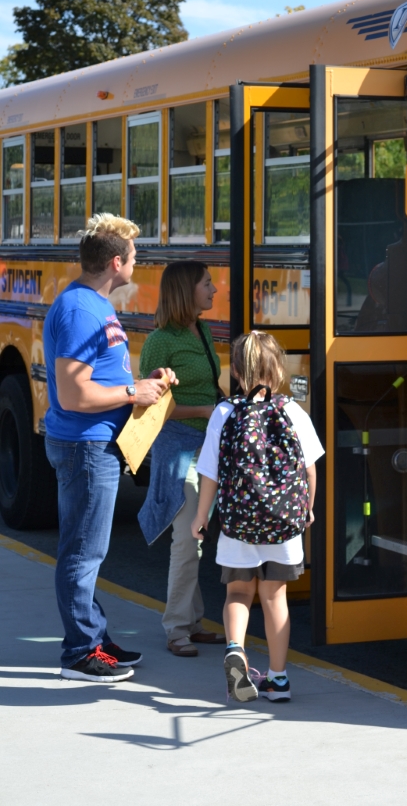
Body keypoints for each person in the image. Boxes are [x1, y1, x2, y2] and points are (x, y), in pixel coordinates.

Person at [44, 213, 177, 682]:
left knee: (89, 549)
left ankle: (94, 637)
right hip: (85, 447)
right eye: (135, 257)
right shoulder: (81, 310)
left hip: (96, 445)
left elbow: (102, 375)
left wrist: (148, 385)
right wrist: (131, 394)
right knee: (82, 551)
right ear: (116, 262)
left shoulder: (95, 304)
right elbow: (72, 394)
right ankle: (80, 652)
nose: (138, 264)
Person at [192, 331, 324, 702]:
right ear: (279, 368)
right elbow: (310, 469)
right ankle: (278, 679)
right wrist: (307, 509)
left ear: (235, 371)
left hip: (238, 525)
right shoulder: (293, 411)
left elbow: (209, 473)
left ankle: (236, 649)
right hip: (283, 526)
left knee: (237, 592)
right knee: (274, 598)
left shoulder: (225, 412)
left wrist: (201, 518)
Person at [138, 261, 226, 656]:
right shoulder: (160, 341)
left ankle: (193, 621)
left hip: (205, 448)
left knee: (199, 536)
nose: (214, 289)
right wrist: (204, 411)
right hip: (178, 447)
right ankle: (176, 628)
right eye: (207, 284)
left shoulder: (203, 330)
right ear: (185, 291)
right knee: (187, 538)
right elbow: (152, 407)